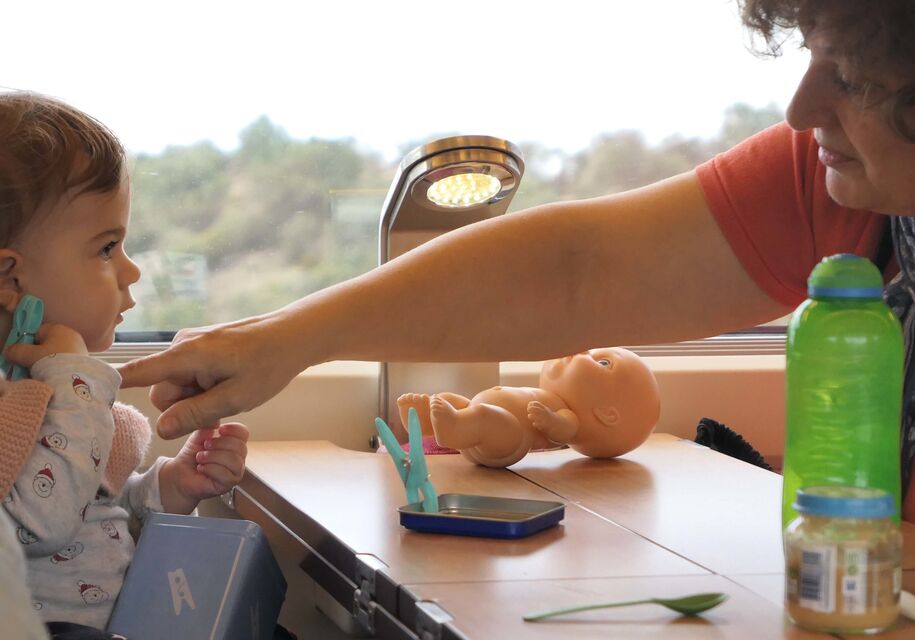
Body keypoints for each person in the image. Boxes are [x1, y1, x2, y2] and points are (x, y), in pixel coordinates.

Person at [119, 0, 915, 518]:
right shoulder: (841, 184)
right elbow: (576, 271)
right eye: (810, 58)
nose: (800, 109)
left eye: (847, 76)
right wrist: (285, 339)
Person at [0, 92, 250, 634]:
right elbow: (40, 524)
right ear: (11, 280)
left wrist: (168, 488)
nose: (131, 271)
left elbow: (90, 512)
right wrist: (77, 380)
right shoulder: (25, 404)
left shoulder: (61, 398)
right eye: (107, 248)